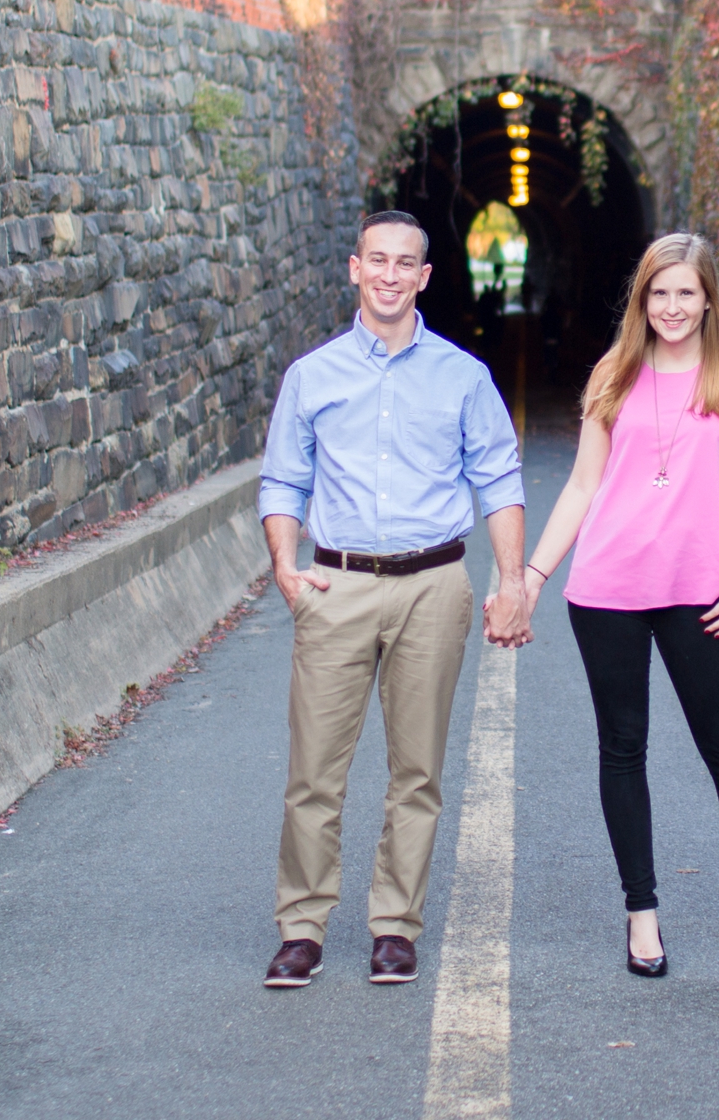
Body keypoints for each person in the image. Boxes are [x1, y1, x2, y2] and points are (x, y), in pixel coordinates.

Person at [257, 210, 532, 990]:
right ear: (354, 268)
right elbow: (284, 480)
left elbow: (498, 481)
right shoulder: (311, 376)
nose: (388, 274)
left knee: (418, 770)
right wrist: (286, 566)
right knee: (315, 771)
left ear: (424, 277)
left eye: (403, 262)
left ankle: (394, 925)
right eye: (376, 260)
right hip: (336, 583)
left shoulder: (464, 377)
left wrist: (512, 582)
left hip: (434, 585)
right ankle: (302, 927)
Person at [521, 232, 719, 978]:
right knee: (623, 747)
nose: (672, 307)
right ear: (642, 299)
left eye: (686, 292)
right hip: (607, 588)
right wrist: (535, 574)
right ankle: (642, 915)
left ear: (708, 298)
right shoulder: (614, 372)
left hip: (704, 590)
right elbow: (583, 484)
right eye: (659, 293)